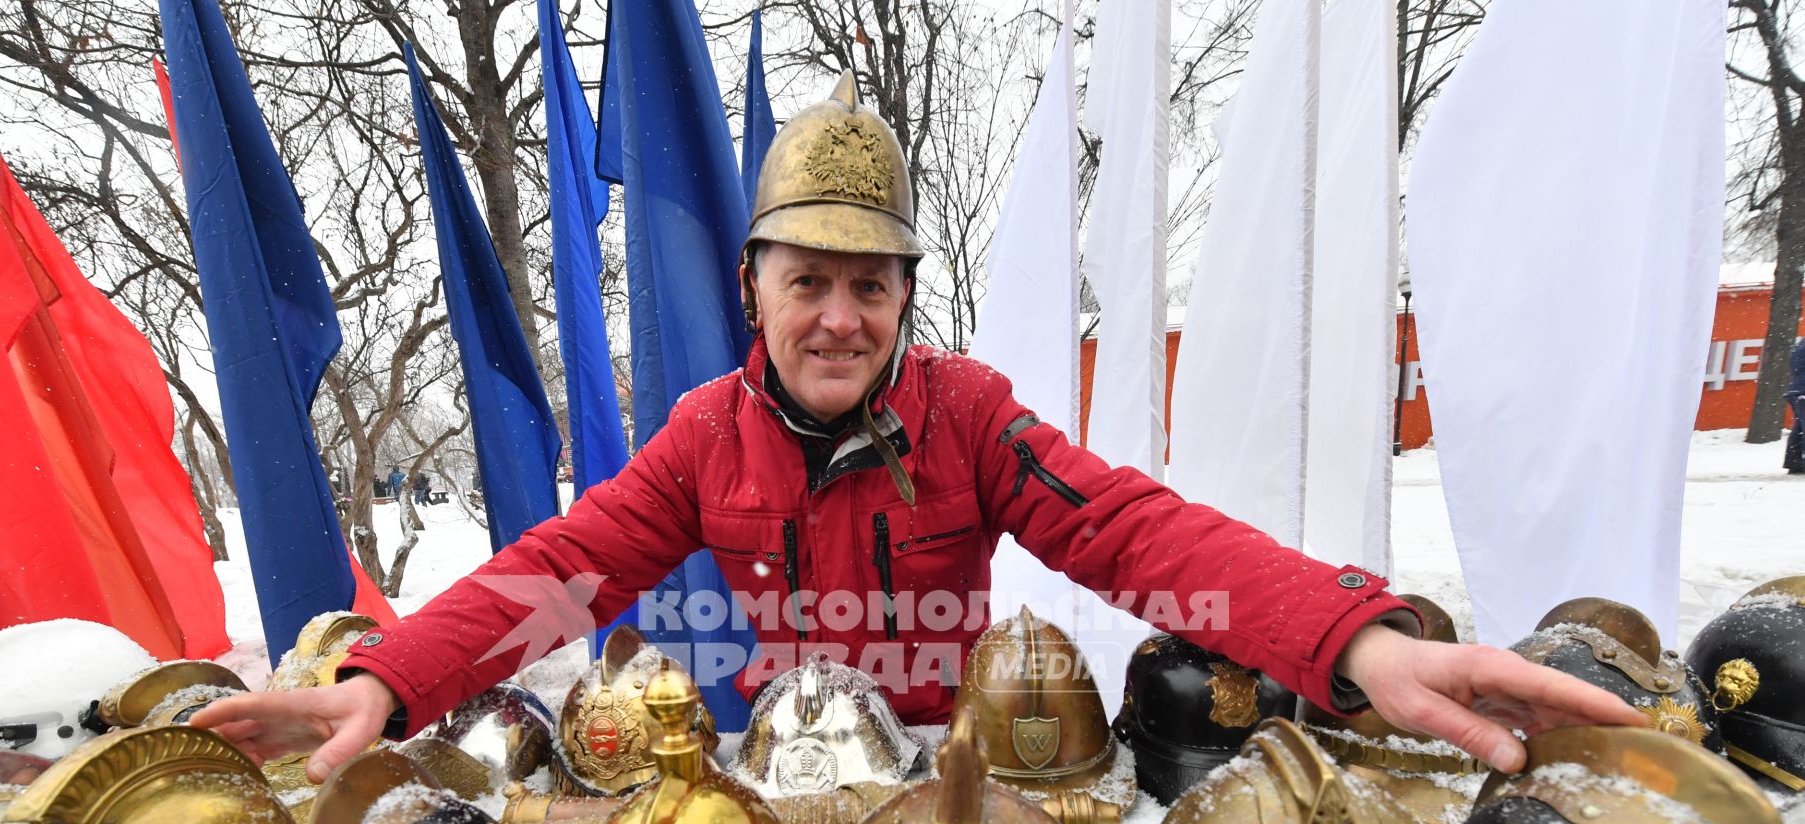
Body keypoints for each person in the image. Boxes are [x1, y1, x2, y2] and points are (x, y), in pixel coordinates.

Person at [194, 78, 1644, 783]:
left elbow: (1141, 534)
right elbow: (562, 568)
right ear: (754, 285)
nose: (838, 317)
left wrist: (1354, 640)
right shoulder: (705, 438)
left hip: (961, 778)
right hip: (777, 773)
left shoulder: (967, 418)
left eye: (868, 287)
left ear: (903, 298)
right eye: (807, 281)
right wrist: (392, 681)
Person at [1786, 334, 1805, 475]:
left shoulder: (1800, 345)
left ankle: (1795, 462)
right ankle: (1796, 462)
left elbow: (1795, 367)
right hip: (1802, 390)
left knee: (1799, 426)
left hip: (1796, 389)